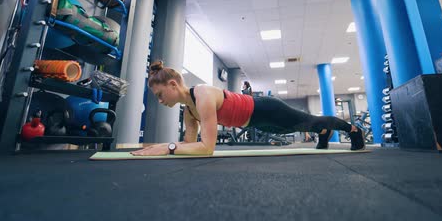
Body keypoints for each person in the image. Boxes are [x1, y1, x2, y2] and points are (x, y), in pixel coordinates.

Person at [132, 61, 365, 156]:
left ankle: (353, 131)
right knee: (291, 130)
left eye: (160, 94)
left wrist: (167, 148)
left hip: (265, 109)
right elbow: (190, 145)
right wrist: (164, 147)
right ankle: (322, 133)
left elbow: (206, 148)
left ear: (172, 85)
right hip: (255, 121)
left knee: (309, 121)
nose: (160, 101)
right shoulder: (188, 111)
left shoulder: (201, 94)